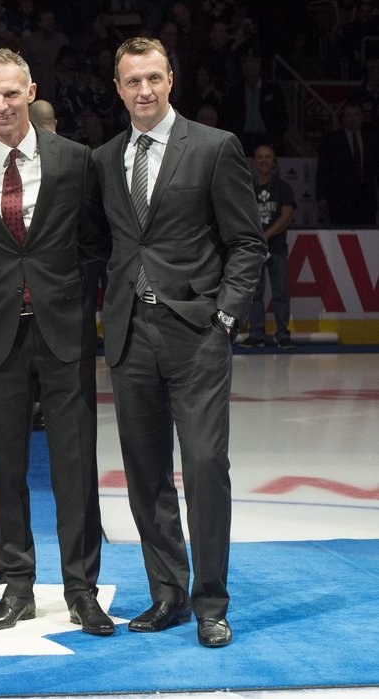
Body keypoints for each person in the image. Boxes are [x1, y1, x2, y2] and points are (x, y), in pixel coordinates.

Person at [93, 37, 265, 648]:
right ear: (118, 88)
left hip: (196, 334)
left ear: (172, 81)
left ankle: (211, 603)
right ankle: (166, 593)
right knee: (144, 475)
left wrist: (225, 317)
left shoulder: (215, 147)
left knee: (204, 467)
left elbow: (248, 242)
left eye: (155, 78)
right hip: (130, 334)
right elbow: (104, 245)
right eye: (133, 80)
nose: (145, 90)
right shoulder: (106, 157)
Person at [0, 49, 113, 636]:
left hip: (63, 331)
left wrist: (68, 293)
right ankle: (16, 586)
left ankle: (82, 590)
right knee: (2, 466)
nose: (2, 105)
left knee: (74, 466)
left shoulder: (76, 161)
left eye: (12, 93)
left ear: (31, 91)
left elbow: (95, 243)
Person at [242, 144, 295, 348]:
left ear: (274, 161)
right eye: (260, 157)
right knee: (254, 293)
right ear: (255, 162)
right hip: (253, 250)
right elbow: (241, 215)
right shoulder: (247, 188)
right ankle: (257, 334)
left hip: (277, 248)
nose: (264, 160)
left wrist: (266, 235)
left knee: (280, 293)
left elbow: (287, 217)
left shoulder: (283, 187)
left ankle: (283, 334)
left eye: (268, 157)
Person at [316, 101, 379, 226]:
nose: (353, 119)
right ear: (343, 119)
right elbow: (323, 169)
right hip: (340, 198)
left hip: (367, 197)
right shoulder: (331, 140)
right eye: (349, 115)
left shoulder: (372, 139)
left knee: (368, 237)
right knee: (341, 236)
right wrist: (322, 196)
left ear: (362, 117)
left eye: (356, 114)